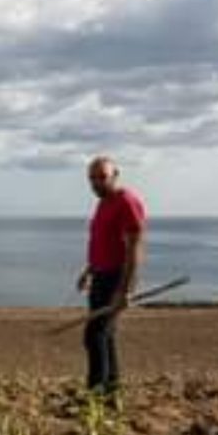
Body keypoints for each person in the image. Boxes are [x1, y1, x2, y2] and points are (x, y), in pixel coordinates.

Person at [79, 156, 147, 398]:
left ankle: (96, 393)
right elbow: (103, 243)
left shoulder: (127, 202)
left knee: (94, 335)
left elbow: (135, 248)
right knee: (105, 335)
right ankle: (111, 389)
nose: (96, 183)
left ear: (115, 175)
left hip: (116, 278)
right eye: (92, 178)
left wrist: (125, 290)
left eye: (102, 177)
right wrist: (88, 271)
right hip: (100, 275)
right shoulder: (103, 203)